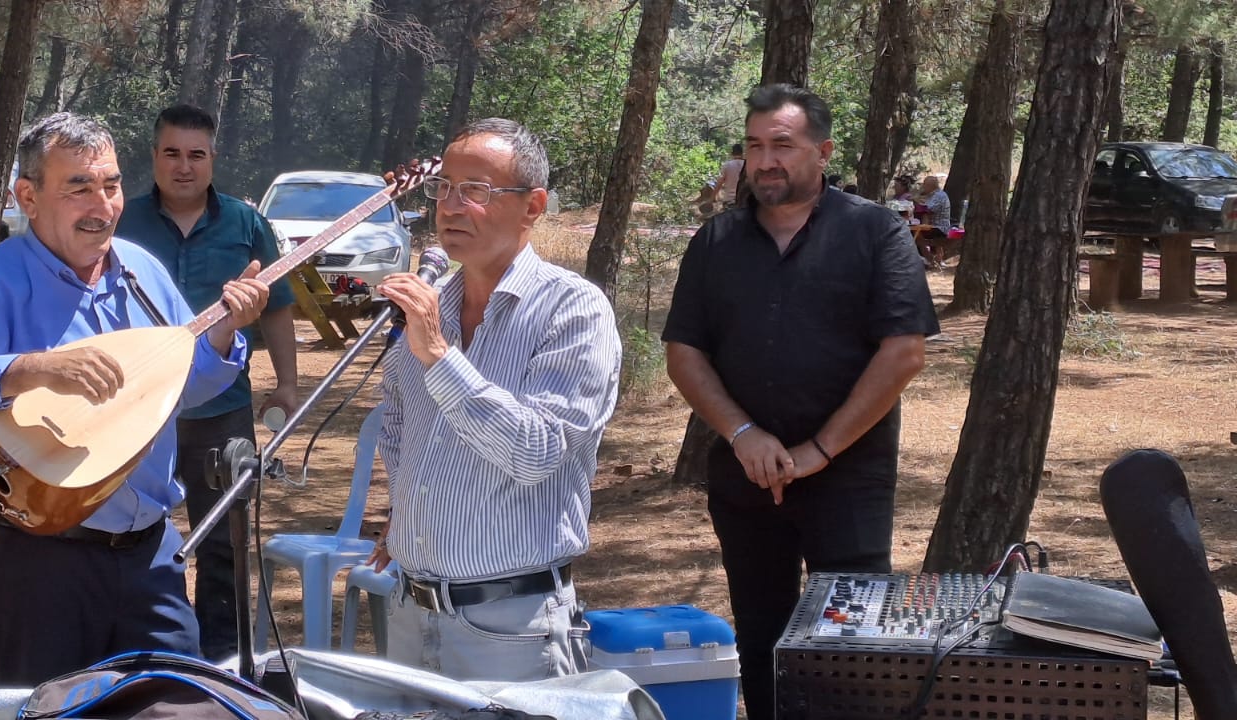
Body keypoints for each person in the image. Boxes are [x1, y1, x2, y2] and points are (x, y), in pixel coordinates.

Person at [0, 113, 270, 687]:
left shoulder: (143, 273)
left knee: (176, 703)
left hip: (151, 557)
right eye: (78, 186)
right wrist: (32, 368)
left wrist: (227, 333)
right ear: (27, 197)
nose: (101, 205)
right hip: (43, 561)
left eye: (110, 185)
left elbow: (186, 386)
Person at [662, 84, 938, 720]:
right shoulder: (716, 242)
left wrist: (819, 449)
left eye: (782, 146)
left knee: (854, 643)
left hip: (848, 480)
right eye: (755, 147)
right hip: (744, 476)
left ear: (823, 152)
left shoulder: (875, 232)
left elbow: (904, 353)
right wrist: (742, 434)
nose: (766, 161)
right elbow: (685, 354)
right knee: (760, 638)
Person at [368, 118, 622, 682]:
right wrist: (407, 515)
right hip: (410, 612)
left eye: (476, 191)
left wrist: (439, 352)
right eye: (445, 188)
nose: (451, 207)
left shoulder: (573, 310)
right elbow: (400, 430)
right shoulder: (433, 308)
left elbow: (536, 451)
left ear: (532, 206)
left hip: (511, 626)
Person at [113, 103, 298, 661]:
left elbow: (278, 309)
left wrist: (286, 384)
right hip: (138, 409)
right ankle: (142, 656)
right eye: (172, 153)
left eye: (196, 154)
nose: (184, 166)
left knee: (223, 540)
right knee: (129, 532)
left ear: (213, 158)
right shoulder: (121, 221)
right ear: (154, 157)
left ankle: (221, 662)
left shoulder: (247, 223)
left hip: (221, 407)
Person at [716, 143, 745, 209]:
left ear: (732, 153)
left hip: (729, 202)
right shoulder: (749, 165)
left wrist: (711, 198)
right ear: (742, 153)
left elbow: (719, 183)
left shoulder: (727, 165)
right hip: (744, 202)